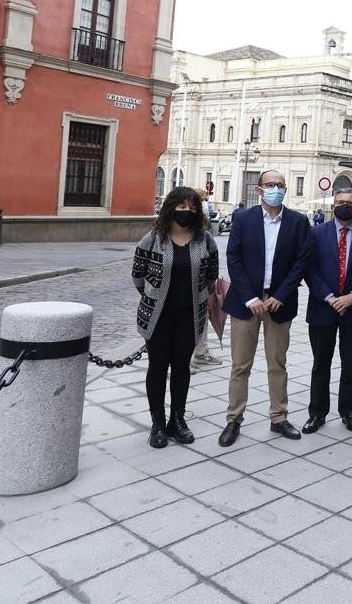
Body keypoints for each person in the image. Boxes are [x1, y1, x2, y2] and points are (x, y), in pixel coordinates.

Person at [218, 169, 310, 446]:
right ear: (259, 190)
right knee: (240, 365)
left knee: (277, 363)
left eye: (281, 185)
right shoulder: (243, 219)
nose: (276, 189)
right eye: (270, 184)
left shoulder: (298, 221)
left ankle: (279, 418)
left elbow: (301, 261)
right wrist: (250, 298)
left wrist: (281, 294)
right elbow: (234, 257)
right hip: (247, 302)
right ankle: (234, 419)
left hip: (279, 303)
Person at [131, 186, 219, 448]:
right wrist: (153, 294)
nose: (187, 212)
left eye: (192, 208)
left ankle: (177, 419)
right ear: (171, 208)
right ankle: (157, 423)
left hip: (190, 315)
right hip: (158, 316)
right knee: (157, 368)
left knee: (181, 368)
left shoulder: (204, 240)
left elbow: (211, 275)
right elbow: (138, 275)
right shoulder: (153, 239)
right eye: (182, 207)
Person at [303, 188, 352, 433]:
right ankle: (317, 413)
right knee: (320, 363)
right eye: (341, 202)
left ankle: (349, 411)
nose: (345, 206)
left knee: (351, 364)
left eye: (351, 203)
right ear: (333, 204)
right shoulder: (315, 233)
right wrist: (330, 297)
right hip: (323, 308)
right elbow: (309, 269)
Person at [193, 188, 223, 369]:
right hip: (174, 292)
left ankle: (201, 352)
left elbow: (213, 265)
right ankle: (178, 360)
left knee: (201, 320)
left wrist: (208, 284)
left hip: (201, 287)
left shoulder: (205, 235)